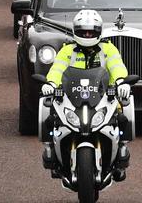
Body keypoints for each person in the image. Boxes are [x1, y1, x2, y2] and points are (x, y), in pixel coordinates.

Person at [40, 10, 131, 181]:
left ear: (99, 31)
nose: (88, 35)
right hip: (71, 98)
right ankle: (51, 152)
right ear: (76, 31)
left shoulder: (108, 48)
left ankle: (121, 156)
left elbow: (117, 66)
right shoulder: (67, 50)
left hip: (103, 97)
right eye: (83, 31)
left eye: (91, 31)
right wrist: (51, 84)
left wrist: (121, 81)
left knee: (123, 119)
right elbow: (57, 69)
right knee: (50, 120)